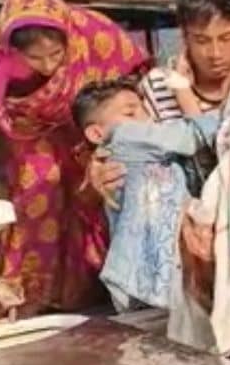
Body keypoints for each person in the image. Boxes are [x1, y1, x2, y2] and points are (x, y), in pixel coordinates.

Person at [0, 0, 150, 314]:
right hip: (31, 133)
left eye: (57, 54)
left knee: (93, 199)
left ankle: (88, 292)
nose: (48, 66)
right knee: (36, 201)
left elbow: (129, 78)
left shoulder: (90, 33)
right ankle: (29, 298)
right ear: (13, 49)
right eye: (34, 58)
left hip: (83, 122)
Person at [90, 0, 230, 200]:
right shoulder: (156, 88)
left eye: (226, 38)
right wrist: (101, 170)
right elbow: (131, 158)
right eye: (202, 41)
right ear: (184, 37)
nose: (215, 53)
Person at [71, 78, 215, 311]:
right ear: (97, 133)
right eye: (131, 112)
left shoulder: (145, 150)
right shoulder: (125, 138)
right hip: (144, 271)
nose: (146, 118)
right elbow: (188, 138)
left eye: (145, 110)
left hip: (145, 271)